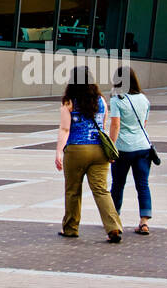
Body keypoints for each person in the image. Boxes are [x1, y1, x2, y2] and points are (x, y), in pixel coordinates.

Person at [55, 66, 122, 242]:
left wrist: (58, 152)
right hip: (99, 150)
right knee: (101, 190)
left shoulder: (69, 102)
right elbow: (103, 125)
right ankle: (113, 227)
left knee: (73, 190)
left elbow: (65, 129)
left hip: (76, 149)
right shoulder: (101, 100)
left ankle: (70, 228)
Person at [109, 65, 153, 235]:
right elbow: (144, 125)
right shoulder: (144, 99)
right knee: (143, 184)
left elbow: (115, 125)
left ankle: (114, 219)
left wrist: (111, 147)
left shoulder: (117, 99)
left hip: (122, 148)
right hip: (143, 147)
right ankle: (144, 221)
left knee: (118, 184)